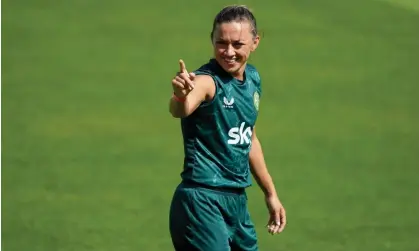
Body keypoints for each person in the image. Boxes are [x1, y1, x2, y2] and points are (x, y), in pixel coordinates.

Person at [168, 5, 286, 251]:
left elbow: (249, 139)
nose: (228, 52)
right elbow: (183, 109)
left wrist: (270, 194)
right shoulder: (206, 81)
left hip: (236, 201)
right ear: (212, 40)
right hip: (201, 200)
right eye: (221, 43)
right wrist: (180, 95)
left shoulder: (252, 80)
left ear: (255, 42)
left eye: (237, 44)